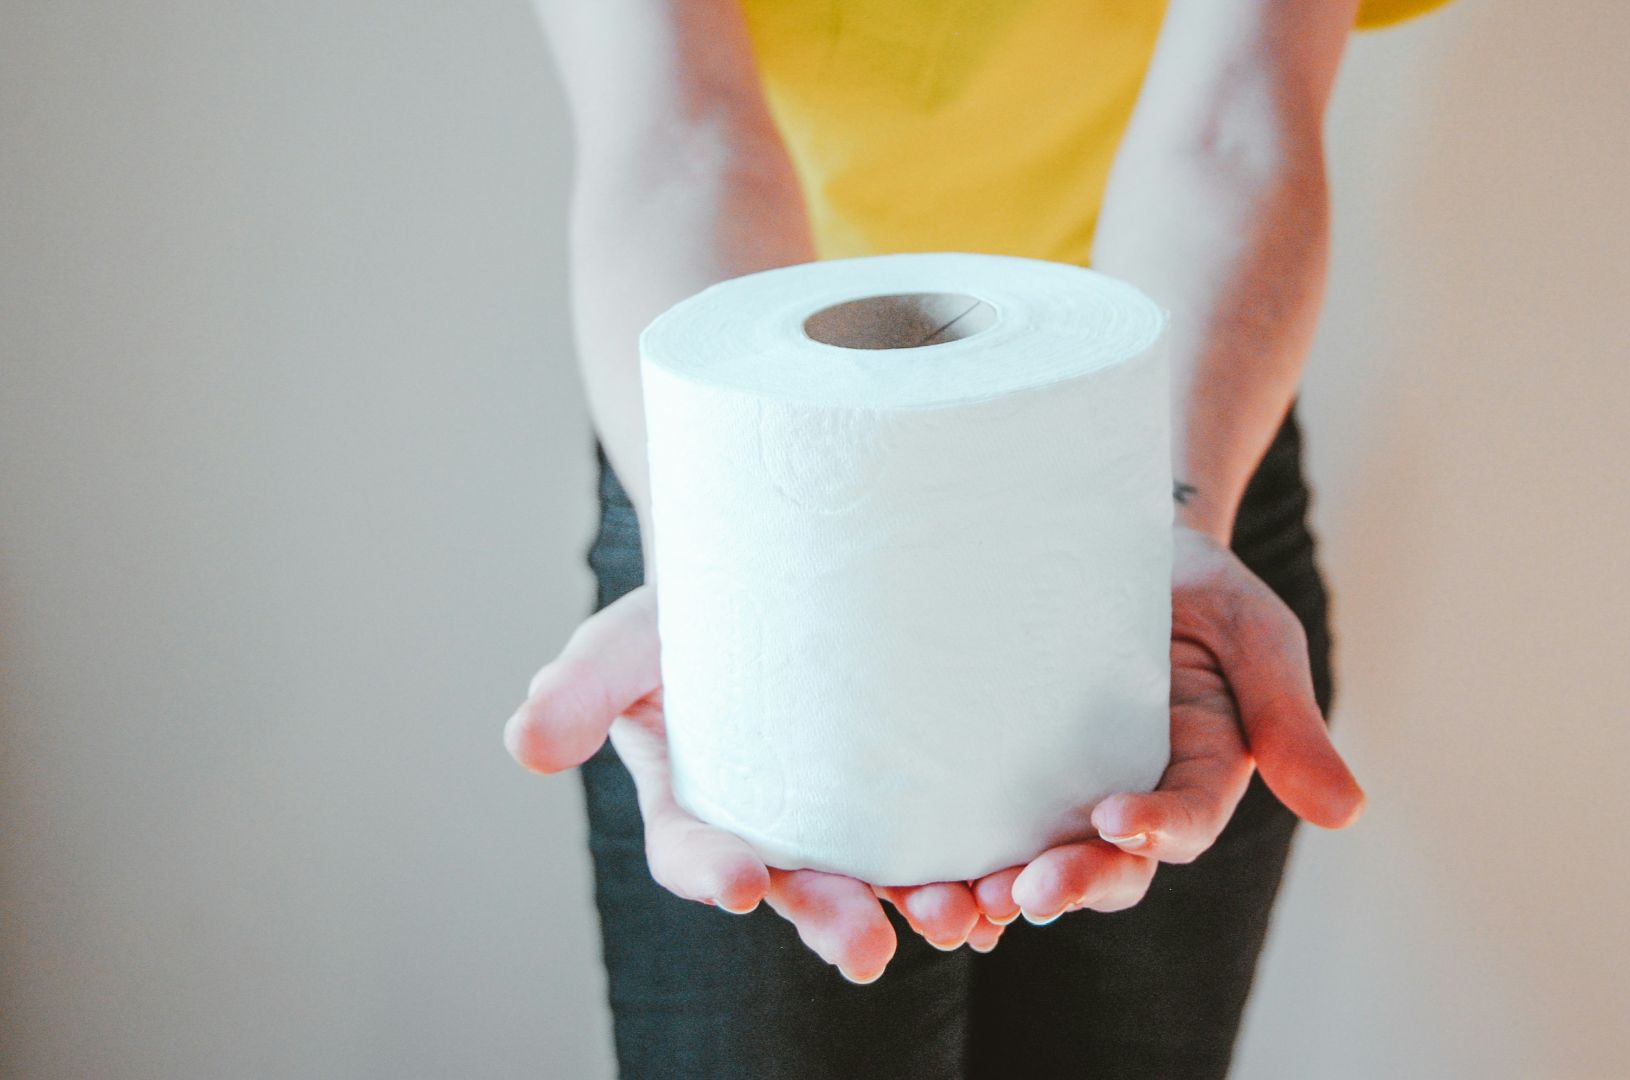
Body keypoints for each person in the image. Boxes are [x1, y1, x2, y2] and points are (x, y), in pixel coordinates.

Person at [505, 1, 1449, 1076]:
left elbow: (1231, 123)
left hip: (1170, 423)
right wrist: (728, 569)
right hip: (759, 485)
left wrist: (1167, 527)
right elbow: (679, 138)